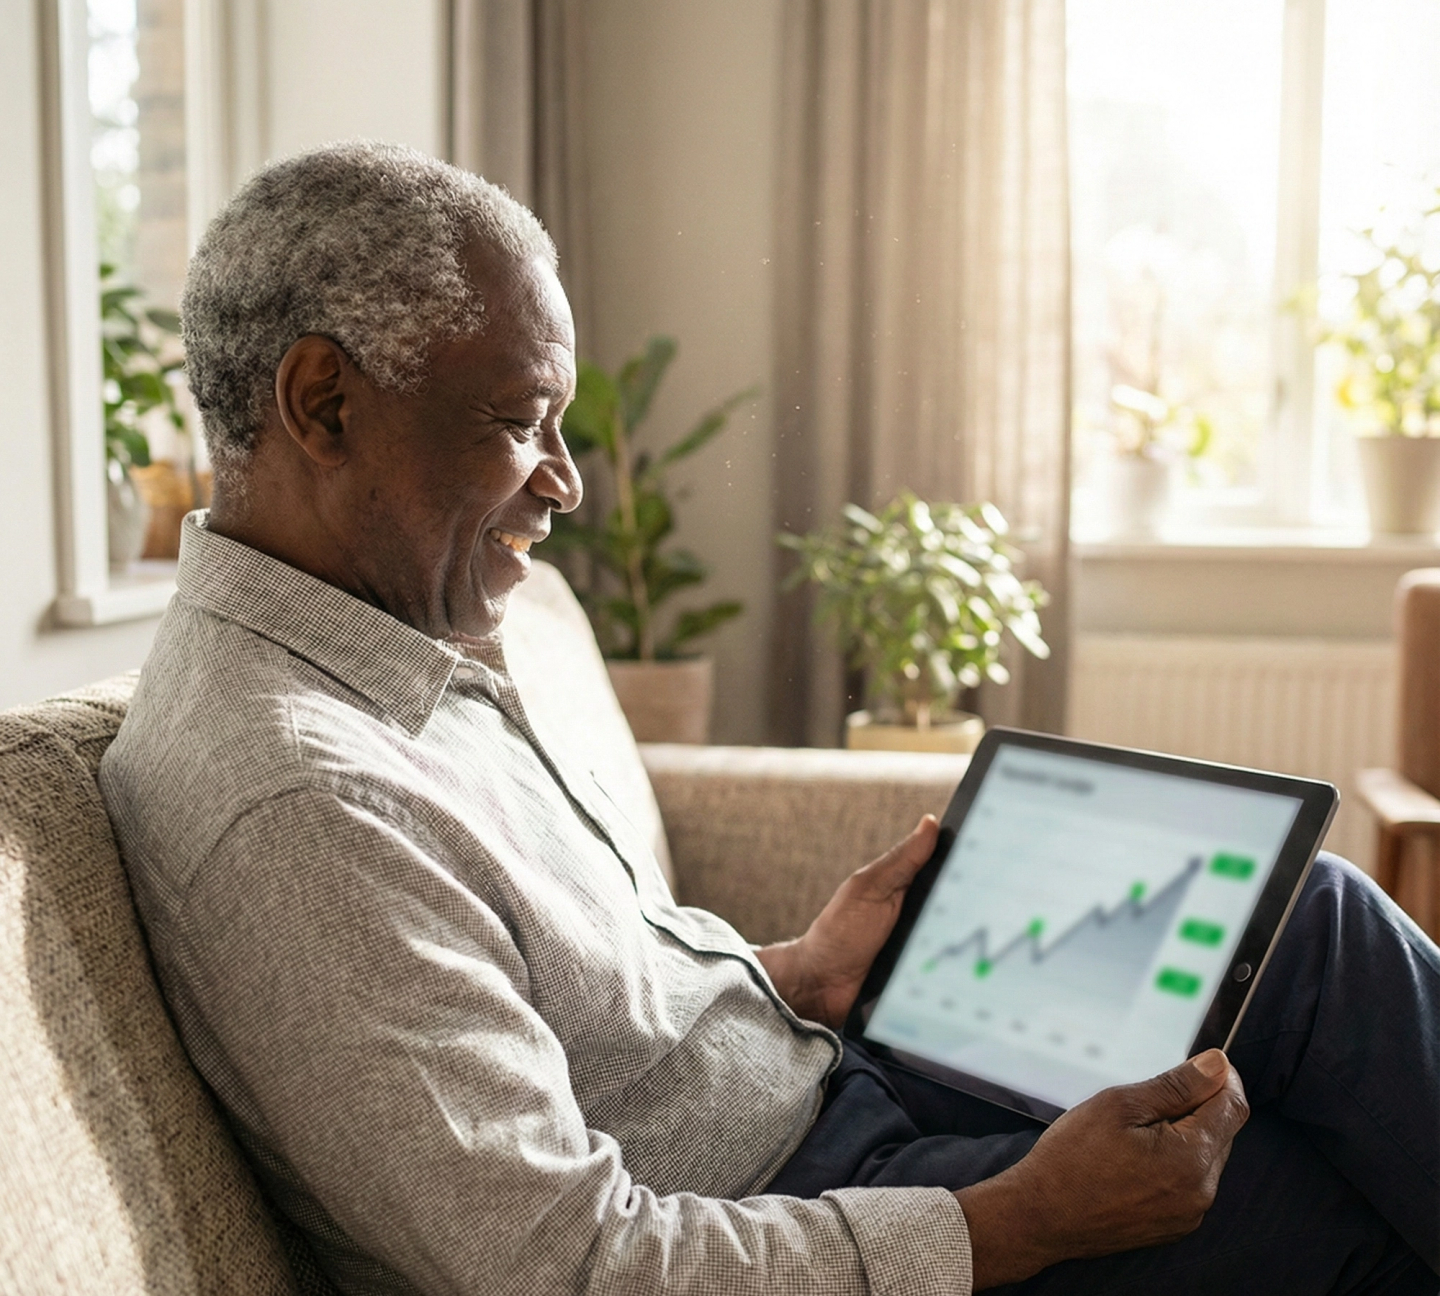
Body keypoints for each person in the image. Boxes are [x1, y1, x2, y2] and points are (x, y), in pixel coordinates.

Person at [100, 142, 1440, 1296]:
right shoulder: (296, 798)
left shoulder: (391, 648)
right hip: (795, 1206)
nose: (564, 482)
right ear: (322, 403)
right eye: (519, 421)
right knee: (1304, 1210)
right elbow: (564, 1268)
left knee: (1306, 914)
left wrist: (791, 969)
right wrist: (1018, 1220)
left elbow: (570, 997)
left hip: (828, 1088)